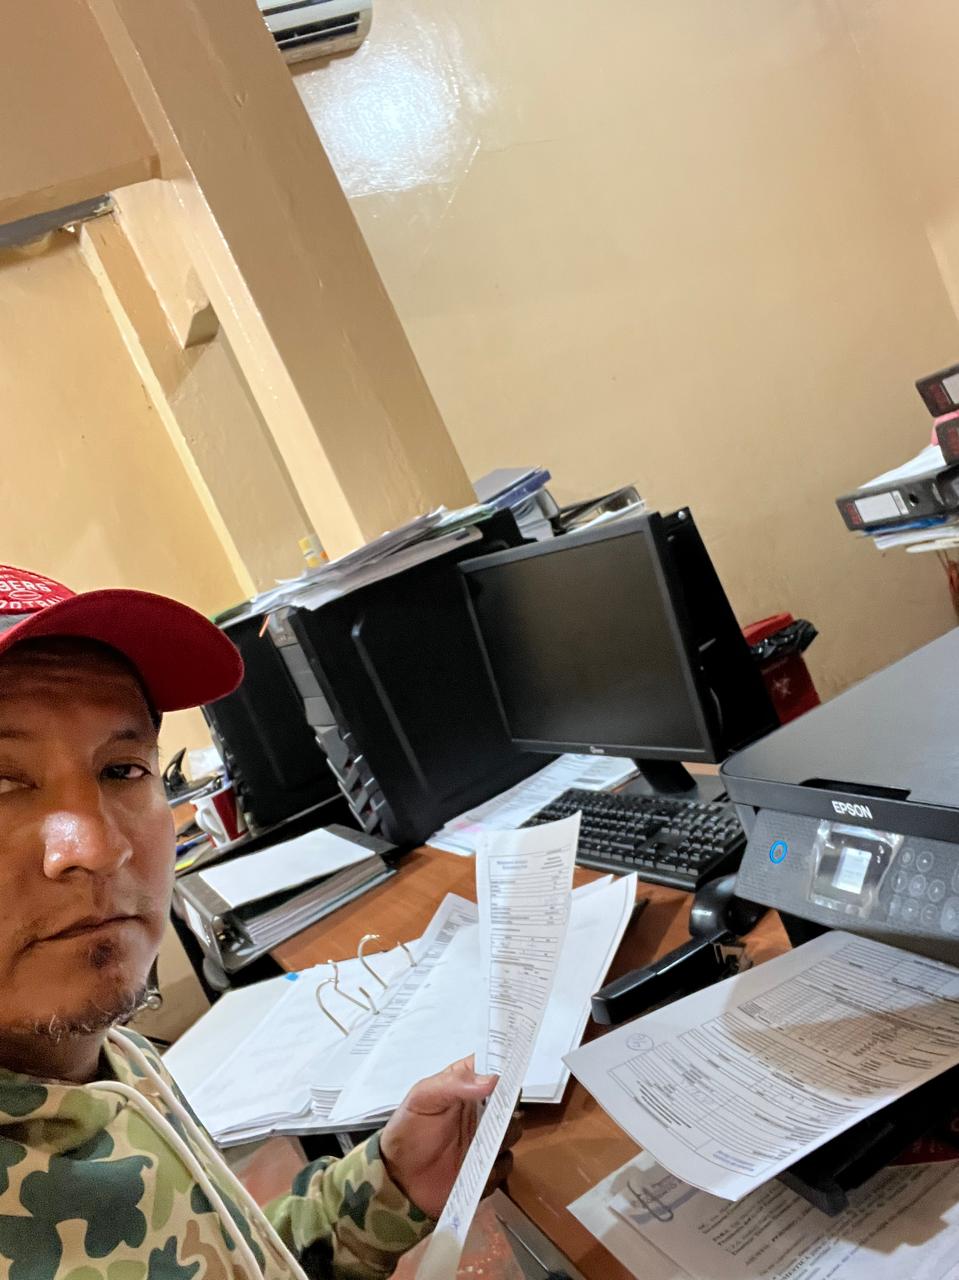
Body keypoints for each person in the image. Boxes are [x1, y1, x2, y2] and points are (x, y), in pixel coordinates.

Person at [0, 564, 510, 1280]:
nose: (99, 846)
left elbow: (220, 1255)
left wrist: (387, 1190)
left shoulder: (114, 1056)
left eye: (122, 769)